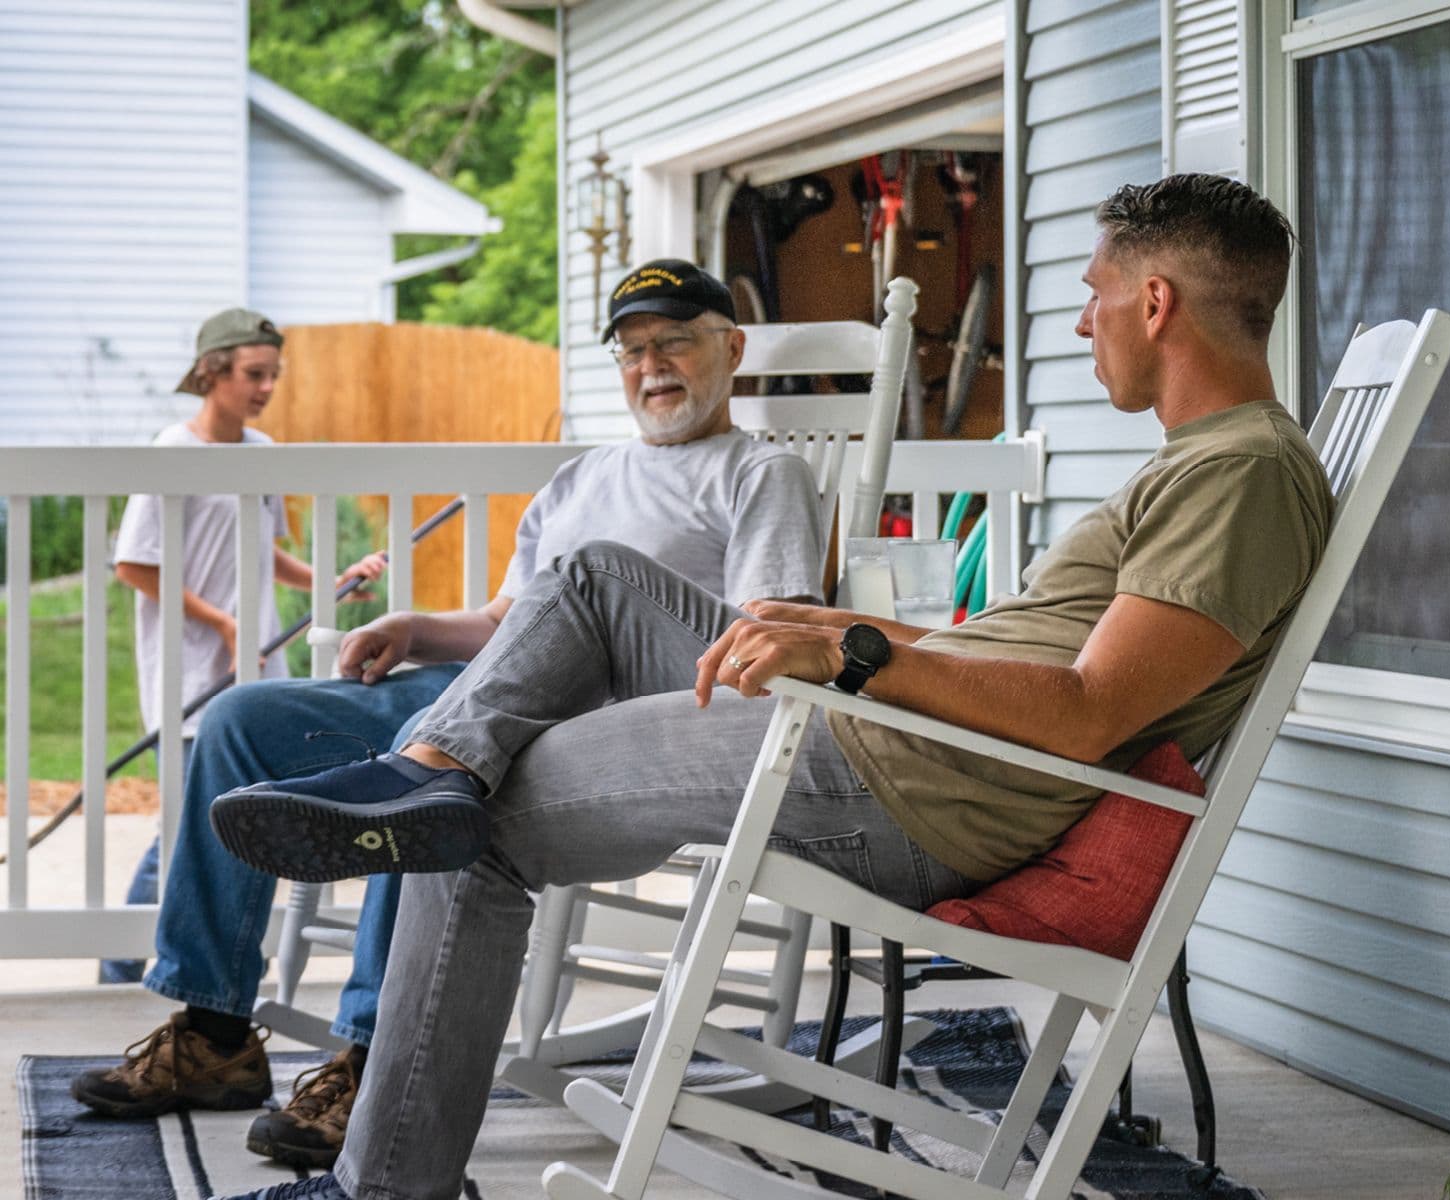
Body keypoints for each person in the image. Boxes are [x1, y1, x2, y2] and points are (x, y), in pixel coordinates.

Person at [205, 173, 1337, 1200]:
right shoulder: (1206, 463)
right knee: (594, 580)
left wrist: (858, 657)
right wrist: (842, 626)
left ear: (1154, 303)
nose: (1081, 318)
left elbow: (1090, 715)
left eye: (1094, 295)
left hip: (901, 785)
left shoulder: (1240, 475)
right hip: (892, 741)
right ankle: (425, 766)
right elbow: (1040, 662)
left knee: (473, 826)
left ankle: (389, 1180)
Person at [71, 261, 826, 1171]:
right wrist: (414, 628)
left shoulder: (760, 472)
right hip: (475, 694)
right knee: (240, 718)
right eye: (631, 350)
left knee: (415, 783)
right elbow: (508, 625)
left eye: (674, 341)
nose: (651, 365)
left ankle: (369, 1057)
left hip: (594, 724)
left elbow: (764, 636)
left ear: (730, 348)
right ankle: (216, 1032)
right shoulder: (581, 479)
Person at [100, 309, 386, 984]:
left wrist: (330, 582)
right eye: (254, 374)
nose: (266, 387)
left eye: (273, 375)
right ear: (211, 372)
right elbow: (135, 565)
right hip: (190, 670)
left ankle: (159, 958)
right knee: (187, 822)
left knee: (218, 815)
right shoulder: (173, 452)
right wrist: (225, 625)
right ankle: (119, 963)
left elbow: (270, 553)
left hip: (254, 670)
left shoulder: (259, 450)